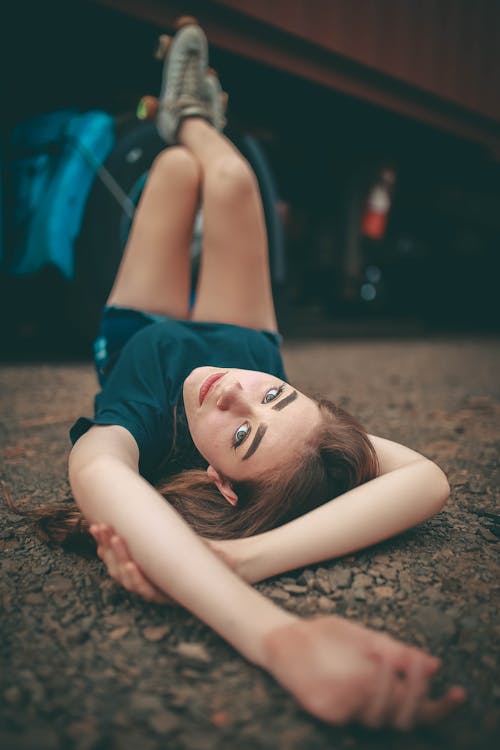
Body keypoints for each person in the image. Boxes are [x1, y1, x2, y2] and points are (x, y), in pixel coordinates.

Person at [39, 21, 466, 730]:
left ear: (220, 481)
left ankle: (188, 121)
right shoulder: (250, 378)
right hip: (247, 338)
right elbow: (430, 480)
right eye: (276, 399)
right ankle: (196, 118)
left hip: (146, 337)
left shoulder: (136, 431)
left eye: (241, 434)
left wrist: (269, 620)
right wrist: (254, 557)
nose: (236, 393)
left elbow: (102, 481)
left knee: (180, 171)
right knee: (233, 177)